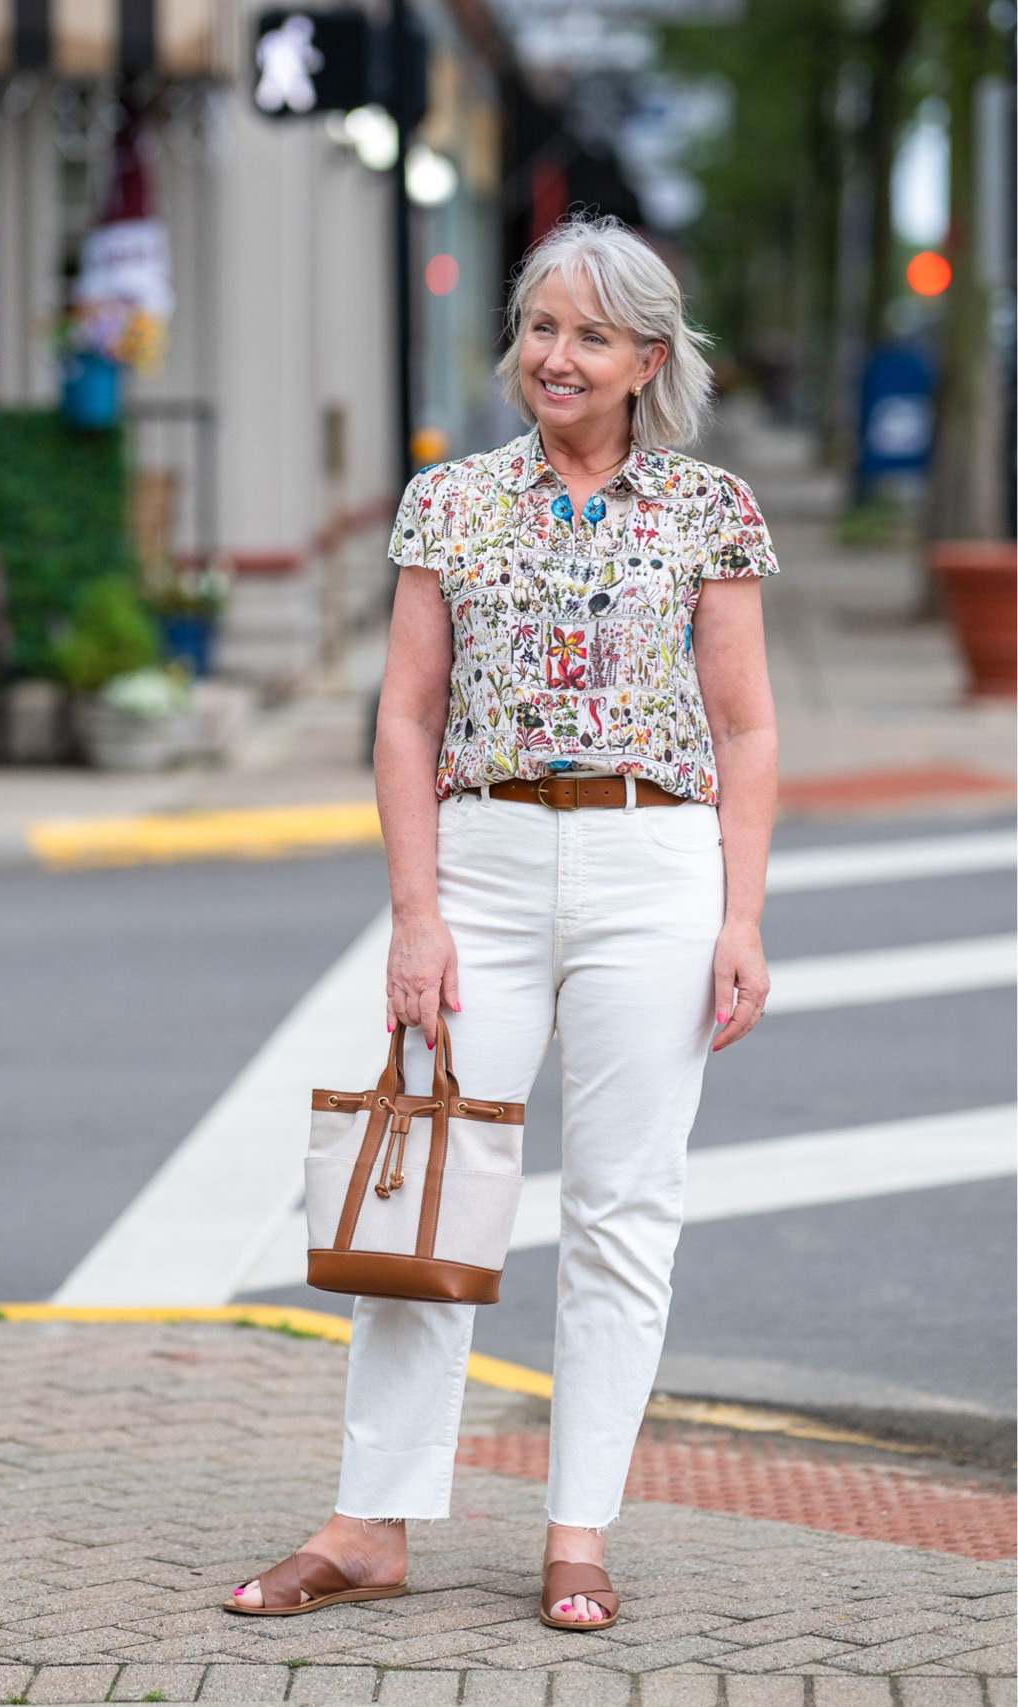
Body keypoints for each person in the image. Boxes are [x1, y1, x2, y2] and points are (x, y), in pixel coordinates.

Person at [227, 215, 778, 1631]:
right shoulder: (450, 503)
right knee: (430, 1185)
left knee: (623, 1209)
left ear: (646, 359)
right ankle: (370, 1524)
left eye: (592, 334)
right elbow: (405, 720)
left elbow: (745, 728)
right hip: (481, 859)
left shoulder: (708, 510)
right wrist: (414, 916)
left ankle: (577, 1533)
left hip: (655, 863)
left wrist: (741, 917)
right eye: (541, 326)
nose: (557, 355)